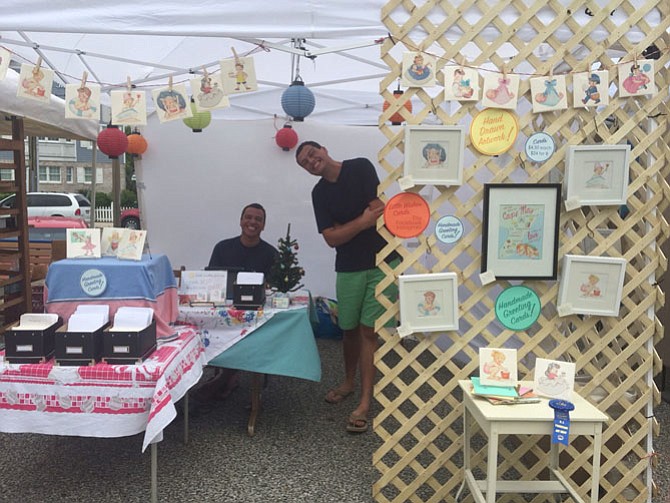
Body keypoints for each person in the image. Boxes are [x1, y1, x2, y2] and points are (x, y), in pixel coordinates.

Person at [296, 141, 398, 434]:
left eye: (312, 154)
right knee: (349, 328)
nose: (311, 161)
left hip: (383, 260)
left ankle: (365, 401)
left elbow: (378, 209)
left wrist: (348, 226)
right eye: (305, 162)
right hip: (349, 266)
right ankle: (349, 382)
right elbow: (331, 239)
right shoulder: (319, 193)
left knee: (369, 330)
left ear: (324, 150)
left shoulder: (360, 166)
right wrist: (363, 221)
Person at [192, 203, 278, 403]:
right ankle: (227, 375)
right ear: (241, 221)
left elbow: (274, 288)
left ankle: (226, 377)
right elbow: (211, 279)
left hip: (254, 317)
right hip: (222, 311)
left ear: (263, 225)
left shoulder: (271, 254)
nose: (252, 222)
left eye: (258, 219)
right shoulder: (222, 248)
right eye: (248, 217)